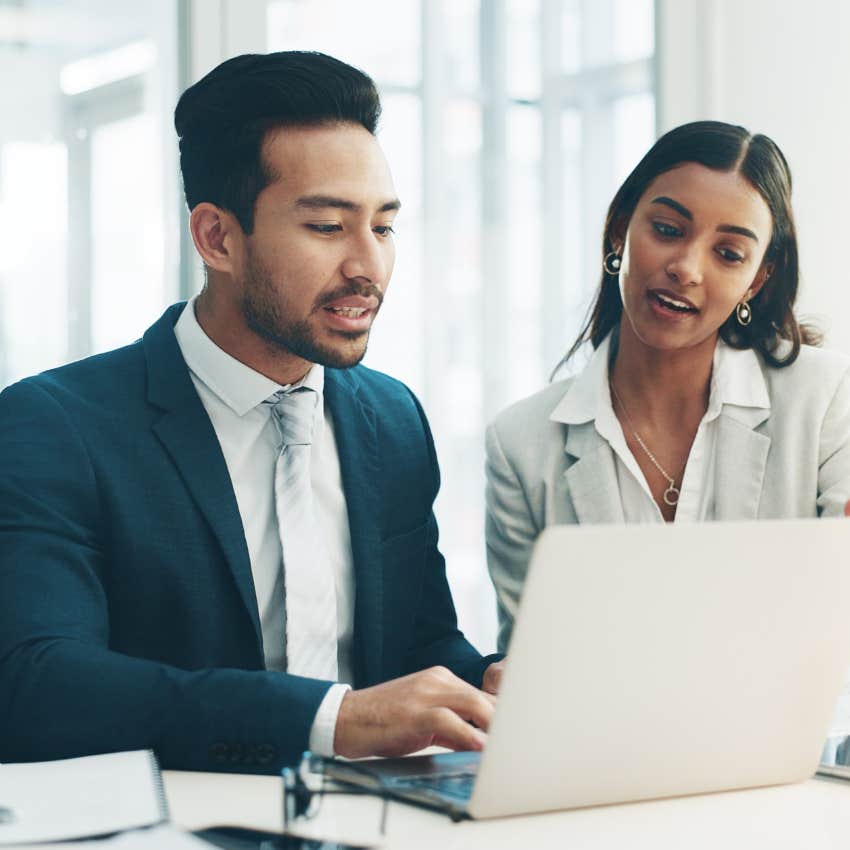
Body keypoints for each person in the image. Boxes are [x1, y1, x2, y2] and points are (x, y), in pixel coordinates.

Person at [0, 51, 503, 774]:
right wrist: (329, 719)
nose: (370, 266)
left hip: (375, 820)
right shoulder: (56, 425)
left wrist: (485, 682)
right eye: (329, 227)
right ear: (218, 238)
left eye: (384, 227)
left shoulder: (391, 419)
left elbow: (417, 646)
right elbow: (35, 684)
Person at [486, 120, 850, 653]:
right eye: (668, 230)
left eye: (728, 254)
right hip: (601, 736)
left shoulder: (824, 399)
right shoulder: (520, 444)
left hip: (781, 733)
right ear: (620, 229)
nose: (686, 268)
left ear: (758, 279)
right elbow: (529, 664)